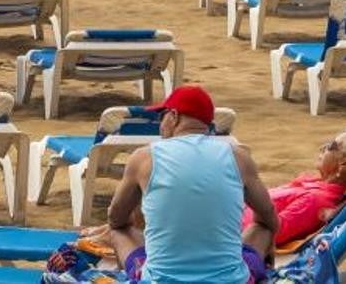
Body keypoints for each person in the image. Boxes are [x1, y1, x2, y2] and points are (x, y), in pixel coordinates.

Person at [106, 85, 278, 284]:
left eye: (162, 117)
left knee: (118, 232)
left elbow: (116, 219)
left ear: (174, 116)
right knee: (263, 228)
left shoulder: (144, 158)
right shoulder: (238, 156)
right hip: (231, 280)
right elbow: (269, 218)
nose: (161, 124)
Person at [240, 126, 346, 256]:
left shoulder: (315, 201)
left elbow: (272, 231)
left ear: (343, 164)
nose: (322, 148)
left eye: (331, 146)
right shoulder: (318, 185)